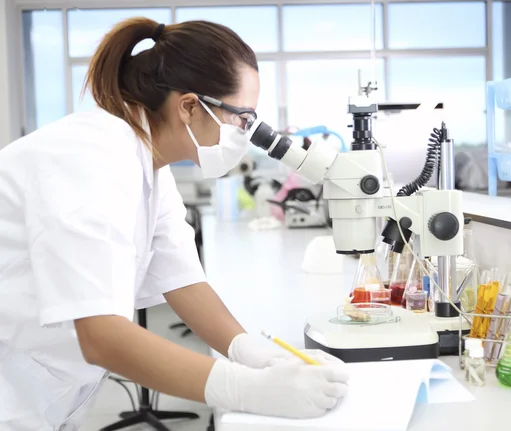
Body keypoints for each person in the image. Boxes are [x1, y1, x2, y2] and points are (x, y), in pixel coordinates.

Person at [0, 18, 349, 431]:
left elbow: (182, 279)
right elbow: (101, 335)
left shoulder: (147, 162)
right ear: (188, 106)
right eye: (242, 118)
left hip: (37, 389)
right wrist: (243, 389)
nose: (246, 134)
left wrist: (250, 351)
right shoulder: (91, 156)